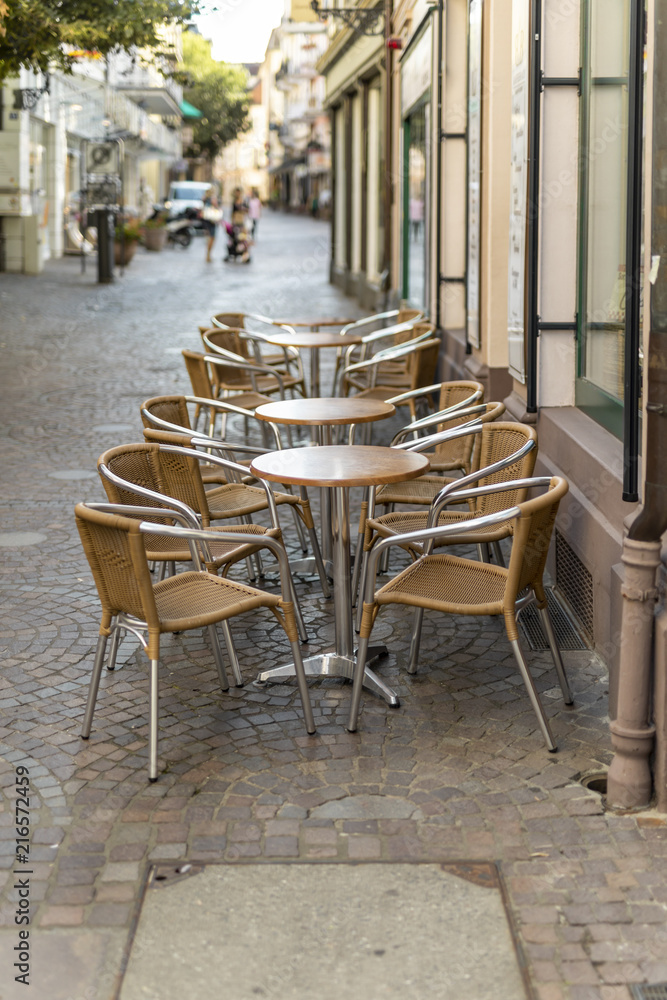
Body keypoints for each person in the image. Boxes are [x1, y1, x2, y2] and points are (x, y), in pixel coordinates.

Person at [201, 186, 220, 263]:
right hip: (212, 220)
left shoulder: (204, 199)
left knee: (209, 238)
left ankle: (208, 254)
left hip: (206, 220)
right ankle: (208, 254)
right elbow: (216, 206)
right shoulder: (212, 199)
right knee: (212, 238)